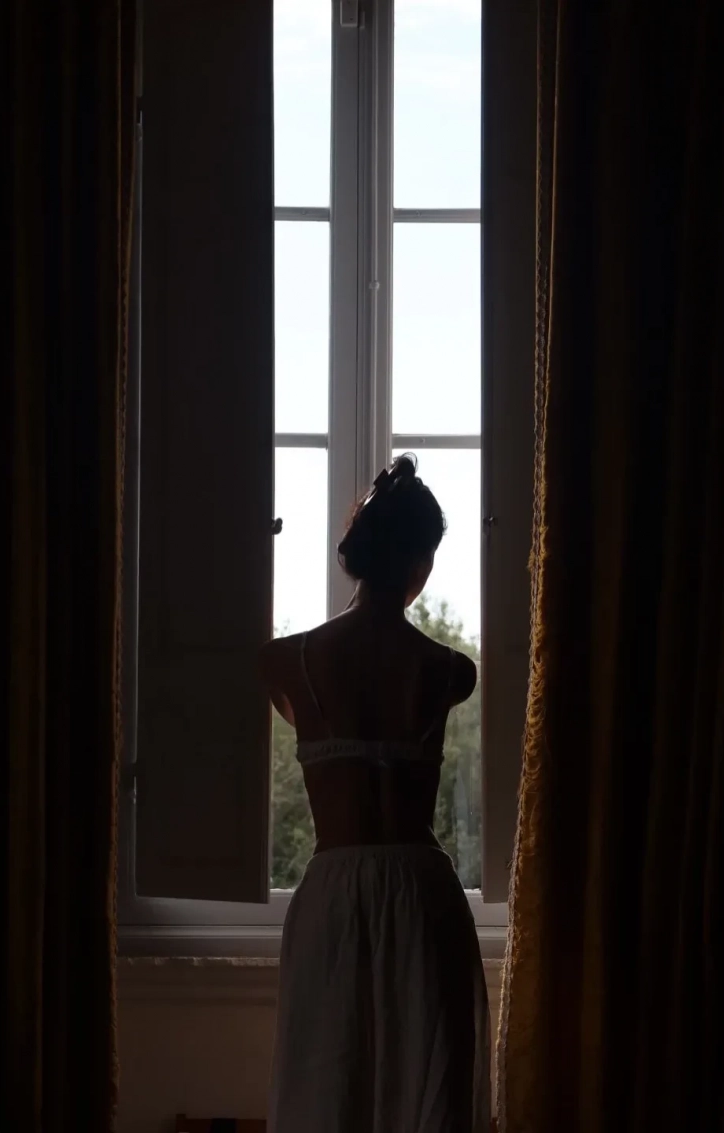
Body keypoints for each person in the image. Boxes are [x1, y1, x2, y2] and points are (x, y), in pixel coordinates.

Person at [260, 454, 490, 1133]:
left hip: (333, 894)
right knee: (427, 1087)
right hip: (423, 896)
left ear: (358, 552)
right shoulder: (449, 670)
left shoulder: (286, 661)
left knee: (329, 1089)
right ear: (421, 564)